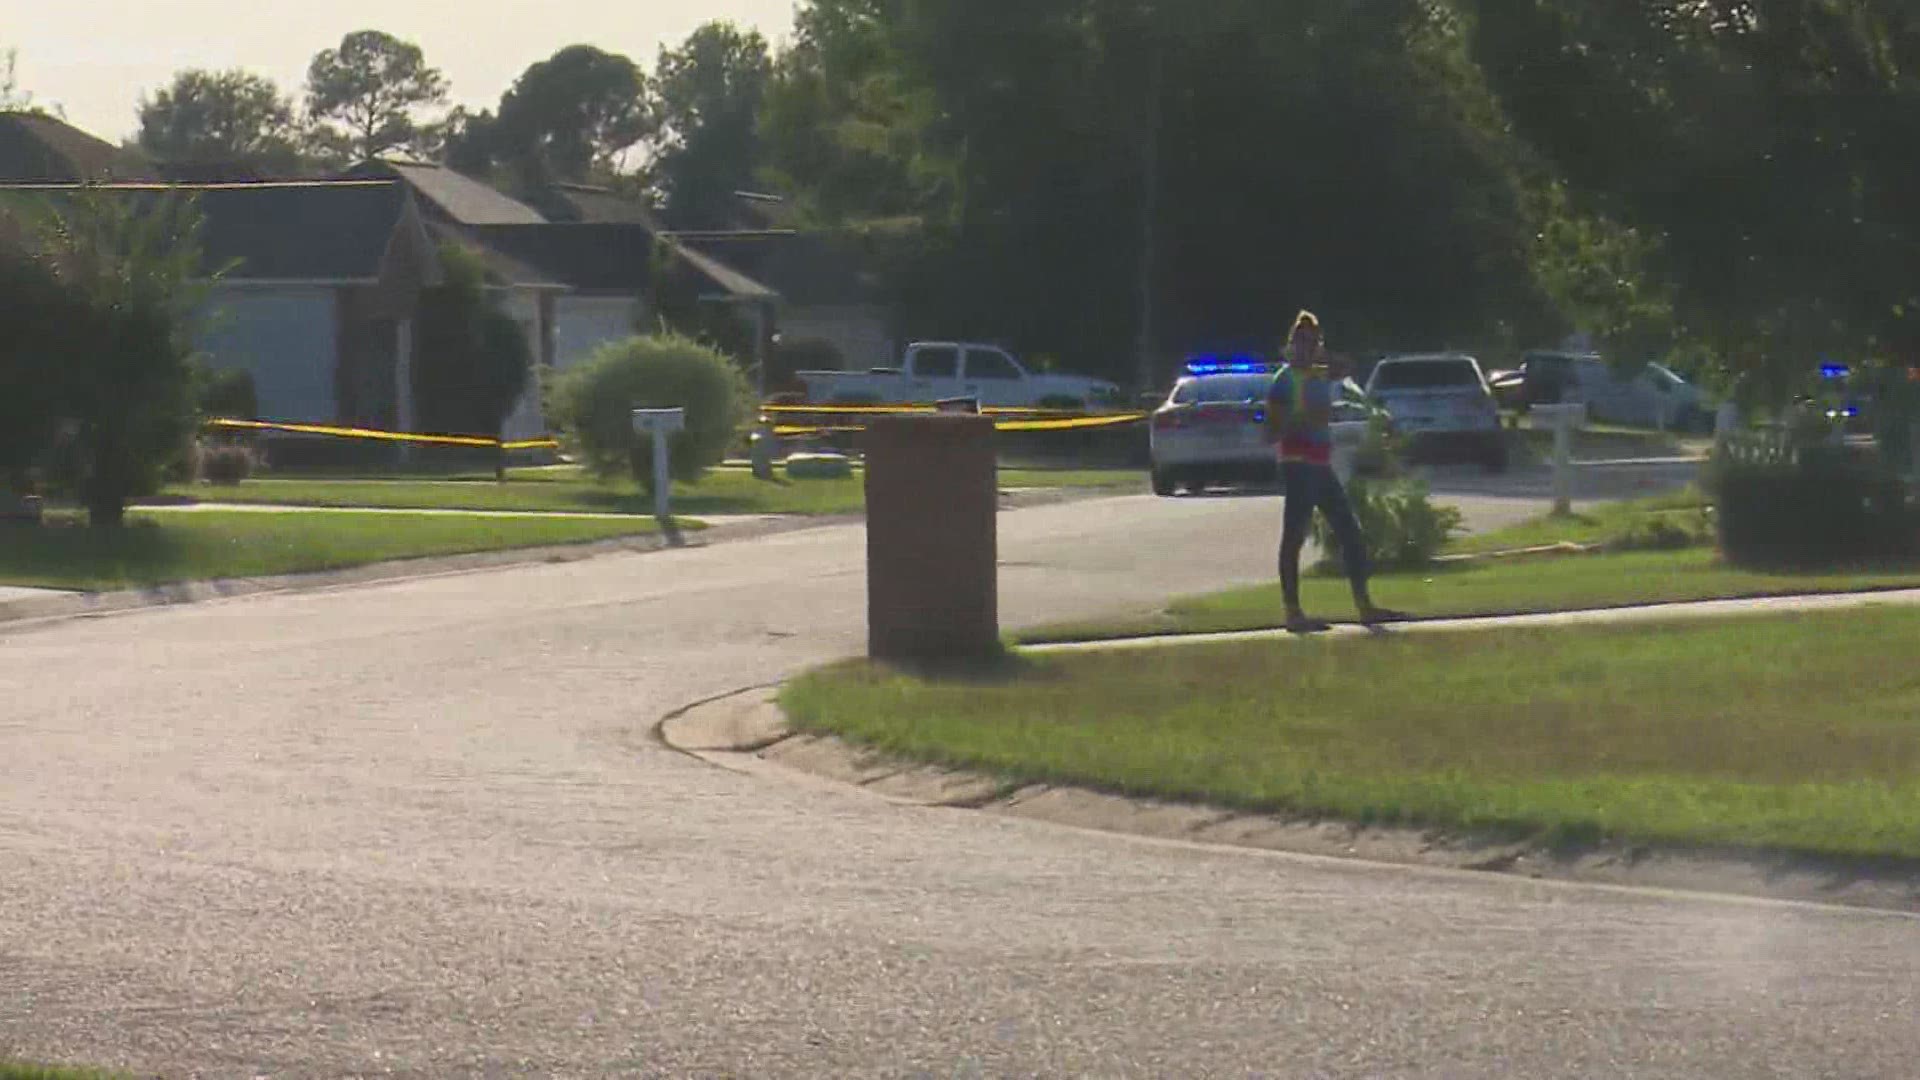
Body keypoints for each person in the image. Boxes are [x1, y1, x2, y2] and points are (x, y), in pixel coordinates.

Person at [1265, 311, 1405, 632]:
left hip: (1320, 464)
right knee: (1294, 536)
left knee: (1350, 532)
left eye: (1313, 341)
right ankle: (1292, 611)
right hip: (1298, 464)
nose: (1307, 347)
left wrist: (1323, 359)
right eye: (1302, 341)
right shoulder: (1284, 381)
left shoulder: (1318, 376)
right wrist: (1296, 422)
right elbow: (1270, 432)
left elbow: (1346, 366)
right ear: (1292, 344)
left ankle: (1364, 605)